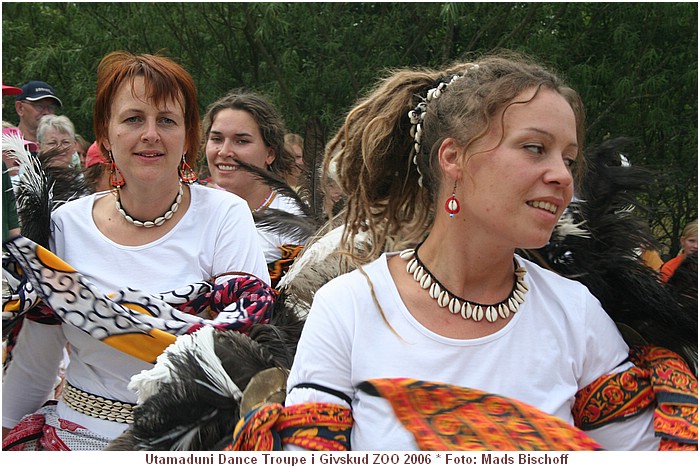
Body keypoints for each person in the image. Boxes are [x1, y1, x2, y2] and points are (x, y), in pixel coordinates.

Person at [284, 52, 689, 451]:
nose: (563, 176)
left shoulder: (575, 313)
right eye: (534, 148)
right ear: (453, 158)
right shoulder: (348, 308)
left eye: (568, 159)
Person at [2, 51, 271, 450]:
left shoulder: (224, 214)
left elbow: (249, 344)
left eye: (166, 120)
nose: (151, 134)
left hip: (187, 445)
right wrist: (6, 426)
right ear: (106, 135)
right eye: (133, 119)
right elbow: (39, 355)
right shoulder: (65, 223)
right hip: (75, 442)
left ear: (187, 135)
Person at [203, 90, 309, 283]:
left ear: (270, 153)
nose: (224, 151)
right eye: (217, 139)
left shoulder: (295, 222)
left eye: (241, 141)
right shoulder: (188, 208)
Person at [14, 80, 62, 144]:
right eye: (39, 106)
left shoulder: (63, 148)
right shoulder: (6, 147)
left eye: (51, 107)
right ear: (20, 108)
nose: (46, 112)